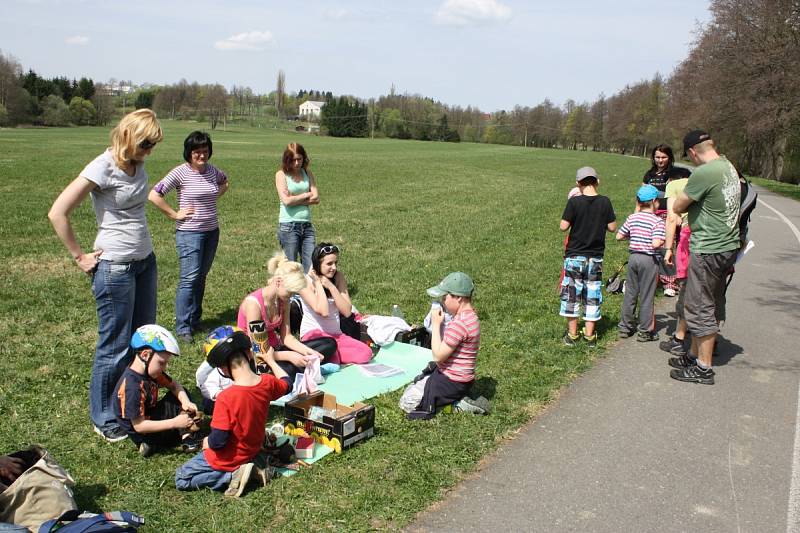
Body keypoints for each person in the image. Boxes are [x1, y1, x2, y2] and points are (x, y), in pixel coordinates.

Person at [48, 109, 163, 443]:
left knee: (142, 340)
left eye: (152, 145)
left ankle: (131, 403)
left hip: (144, 262)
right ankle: (103, 416)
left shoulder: (137, 163)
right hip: (115, 268)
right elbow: (58, 212)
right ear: (128, 136)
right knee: (114, 345)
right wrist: (79, 256)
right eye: (145, 144)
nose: (148, 152)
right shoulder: (102, 166)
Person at [175, 327, 290, 498]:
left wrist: (207, 441)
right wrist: (271, 361)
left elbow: (219, 441)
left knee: (182, 478)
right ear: (249, 354)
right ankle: (252, 464)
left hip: (228, 458)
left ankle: (233, 475)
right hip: (252, 449)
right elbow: (287, 383)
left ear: (223, 368)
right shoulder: (267, 383)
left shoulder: (226, 398)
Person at [669, 130, 741, 385]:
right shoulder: (727, 166)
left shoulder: (704, 172)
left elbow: (678, 206)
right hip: (727, 245)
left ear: (692, 152)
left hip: (709, 247)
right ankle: (692, 354)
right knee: (706, 299)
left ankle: (703, 367)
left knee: (699, 306)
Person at [149, 131, 229, 343]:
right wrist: (174, 214)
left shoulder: (213, 171)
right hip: (189, 234)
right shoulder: (180, 173)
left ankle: (195, 319)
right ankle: (183, 327)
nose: (202, 155)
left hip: (212, 232)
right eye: (197, 152)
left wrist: (214, 197)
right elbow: (154, 194)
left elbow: (225, 182)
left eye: (205, 151)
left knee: (201, 277)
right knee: (189, 279)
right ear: (189, 153)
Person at [237, 252, 334, 383]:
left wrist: (309, 352)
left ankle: (304, 368)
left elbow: (286, 337)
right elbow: (259, 351)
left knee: (329, 344)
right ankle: (304, 370)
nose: (291, 296)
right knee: (273, 373)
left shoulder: (283, 299)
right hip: (257, 358)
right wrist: (290, 356)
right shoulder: (254, 305)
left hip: (277, 350)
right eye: (290, 292)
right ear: (278, 282)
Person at [405, 272, 488, 419]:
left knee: (407, 402)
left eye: (445, 297)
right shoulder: (471, 317)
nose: (443, 302)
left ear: (459, 298)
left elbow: (438, 356)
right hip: (463, 379)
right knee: (418, 383)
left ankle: (457, 405)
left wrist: (436, 325)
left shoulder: (459, 323)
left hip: (452, 381)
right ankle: (455, 398)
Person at [113, 325, 202, 457]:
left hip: (151, 417)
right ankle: (156, 442)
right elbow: (139, 426)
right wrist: (175, 422)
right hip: (145, 432)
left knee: (182, 395)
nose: (164, 367)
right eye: (161, 363)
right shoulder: (132, 387)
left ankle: (184, 435)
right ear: (145, 355)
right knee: (180, 416)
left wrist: (186, 402)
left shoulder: (149, 372)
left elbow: (174, 386)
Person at [559, 166, 617, 347]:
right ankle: (590, 336)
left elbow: (563, 226)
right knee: (592, 294)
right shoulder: (605, 202)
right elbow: (613, 227)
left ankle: (572, 334)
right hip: (595, 258)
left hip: (575, 256)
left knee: (572, 294)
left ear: (578, 183)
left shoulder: (574, 202)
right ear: (597, 181)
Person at [298, 243, 373, 365]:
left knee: (366, 353)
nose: (333, 267)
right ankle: (330, 358)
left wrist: (331, 286)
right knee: (334, 357)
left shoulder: (338, 277)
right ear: (317, 264)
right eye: (329, 264)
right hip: (313, 335)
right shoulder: (305, 283)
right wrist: (318, 282)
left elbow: (347, 312)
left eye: (335, 263)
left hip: (336, 335)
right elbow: (323, 311)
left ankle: (329, 358)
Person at [616, 185, 666, 341]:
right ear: (654, 201)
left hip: (633, 258)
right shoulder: (657, 221)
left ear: (638, 201)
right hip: (649, 260)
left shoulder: (633, 217)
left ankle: (625, 327)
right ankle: (645, 331)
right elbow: (656, 243)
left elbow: (619, 236)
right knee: (647, 294)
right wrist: (664, 241)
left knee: (631, 292)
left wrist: (633, 237)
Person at [642, 144, 691, 297]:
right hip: (652, 213)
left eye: (663, 157)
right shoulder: (649, 175)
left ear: (669, 157)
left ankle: (669, 281)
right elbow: (642, 194)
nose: (660, 160)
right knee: (651, 246)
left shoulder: (677, 173)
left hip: (670, 214)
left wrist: (677, 214)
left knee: (668, 247)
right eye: (657, 157)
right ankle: (653, 278)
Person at [662, 169, 693, 356]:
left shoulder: (673, 186)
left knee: (686, 289)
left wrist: (668, 249)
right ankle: (708, 342)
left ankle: (679, 338)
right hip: (716, 243)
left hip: (689, 240)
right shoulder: (701, 183)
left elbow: (673, 217)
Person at [275, 143, 319, 273]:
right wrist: (306, 195)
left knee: (311, 265)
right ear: (287, 159)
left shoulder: (307, 173)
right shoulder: (281, 175)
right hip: (289, 226)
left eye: (299, 159)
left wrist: (295, 198)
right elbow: (286, 201)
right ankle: (291, 293)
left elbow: (316, 198)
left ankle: (308, 292)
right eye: (293, 159)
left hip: (307, 225)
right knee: (291, 267)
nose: (296, 163)